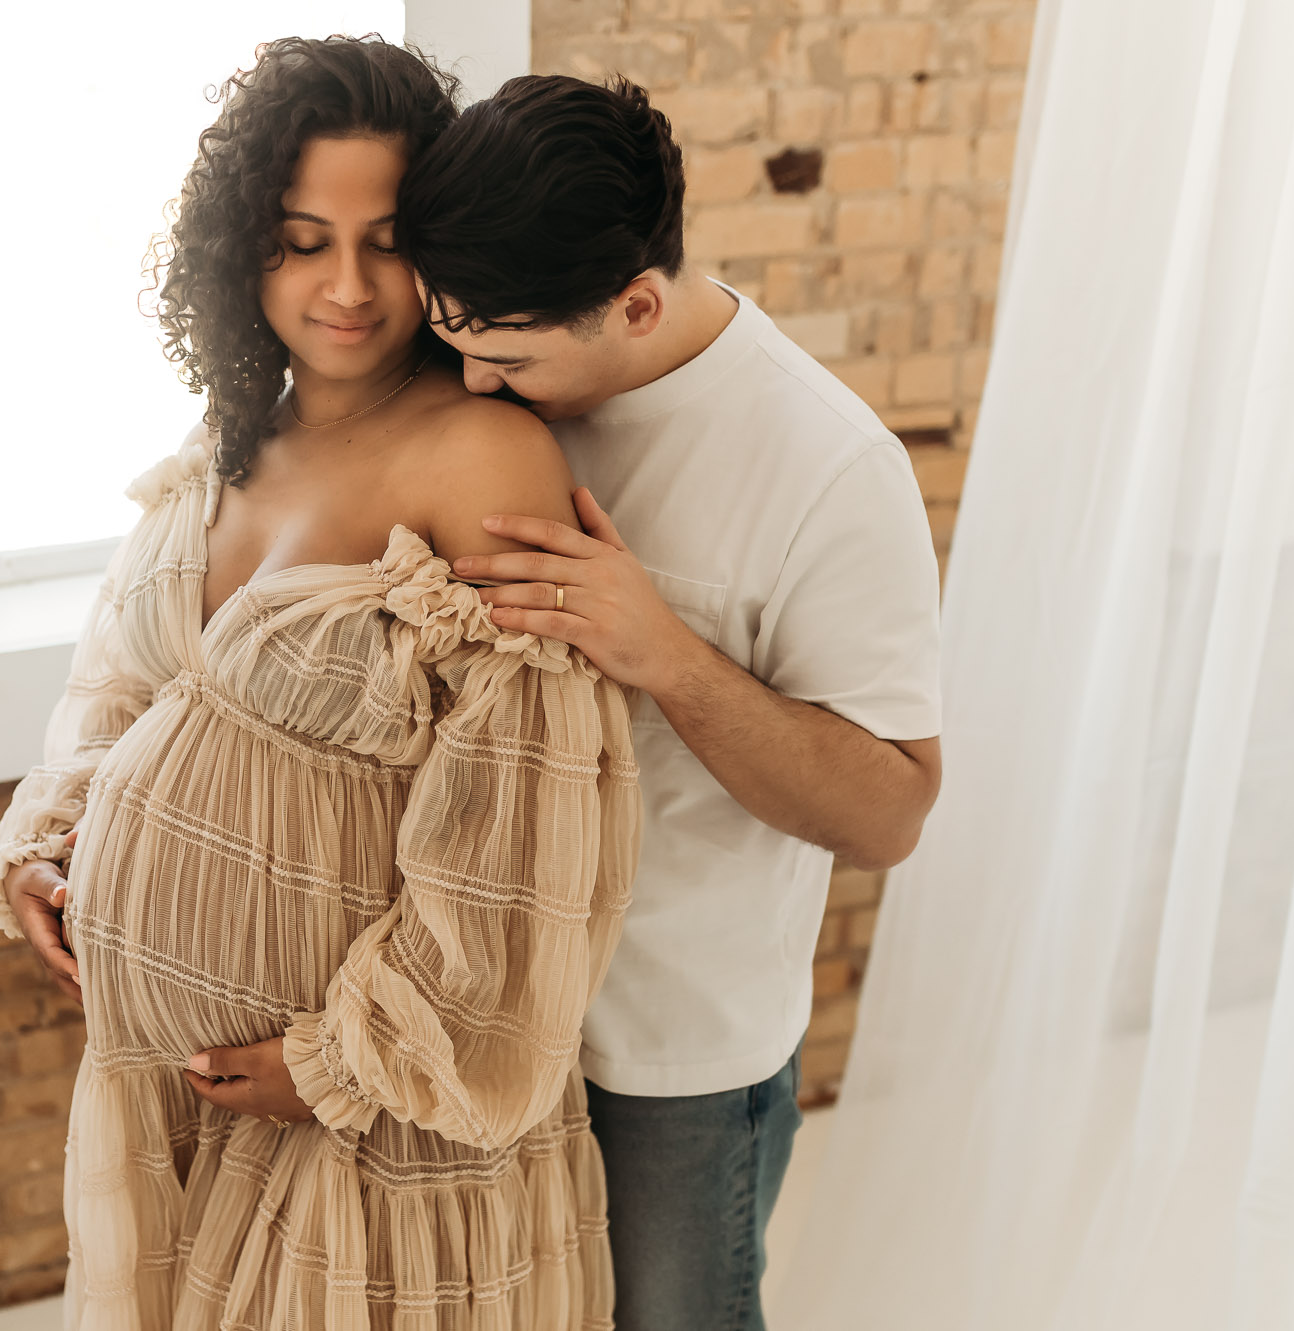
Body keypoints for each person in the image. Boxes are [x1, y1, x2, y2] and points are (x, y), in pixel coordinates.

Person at [0, 38, 643, 1331]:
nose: (344, 287)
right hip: (178, 1101)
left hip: (378, 1149)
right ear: (243, 248)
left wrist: (342, 1061)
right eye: (299, 237)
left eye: (384, 241)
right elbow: (119, 680)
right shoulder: (231, 433)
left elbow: (530, 833)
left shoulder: (484, 459)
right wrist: (48, 851)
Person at [394, 75, 945, 1330]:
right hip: (468, 1017)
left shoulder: (827, 466)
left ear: (635, 303)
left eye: (507, 356)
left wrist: (666, 653)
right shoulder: (478, 365)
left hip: (669, 1067)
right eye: (455, 339)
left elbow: (890, 811)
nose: (469, 386)